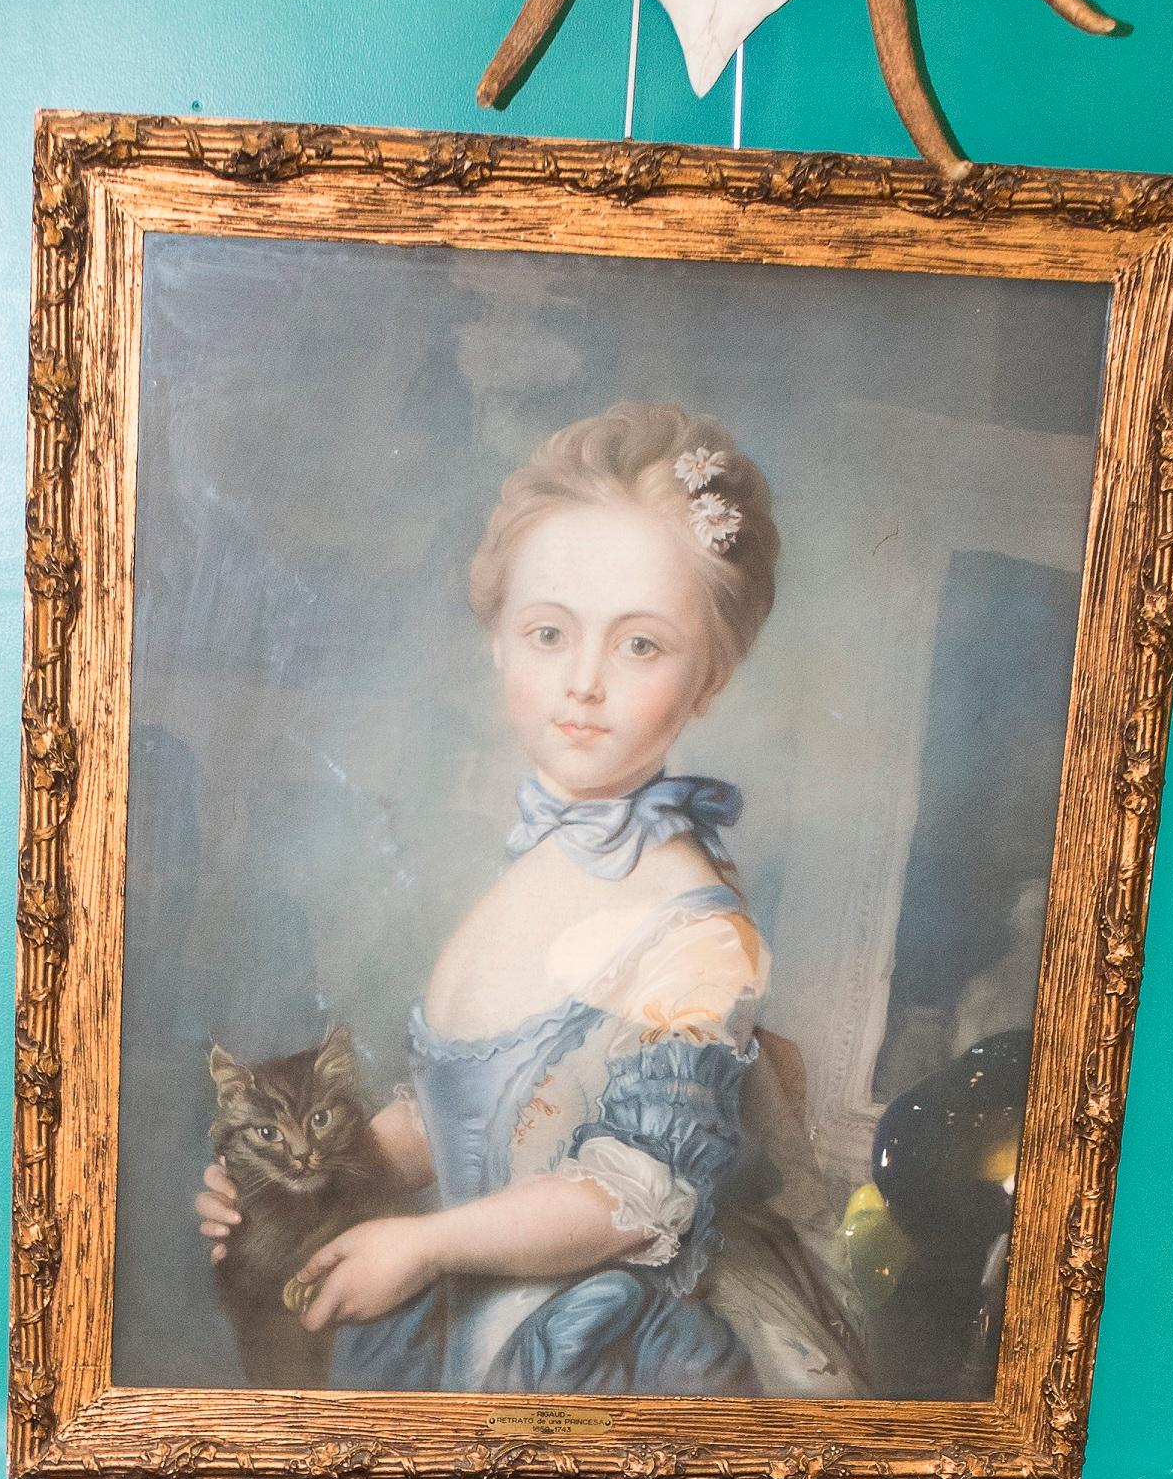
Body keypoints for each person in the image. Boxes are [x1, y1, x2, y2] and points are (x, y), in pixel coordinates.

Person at [196, 400, 780, 1395]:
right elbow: (465, 1113)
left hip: (588, 1363)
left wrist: (424, 1249)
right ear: (497, 642)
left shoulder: (696, 927)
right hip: (457, 1332)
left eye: (641, 646)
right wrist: (284, 1184)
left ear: (710, 678)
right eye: (550, 632)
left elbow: (629, 1193)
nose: (584, 682)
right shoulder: (532, 869)